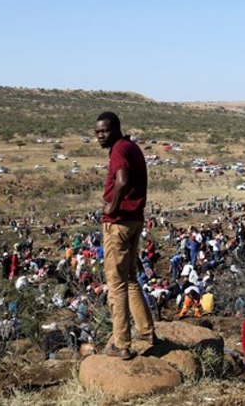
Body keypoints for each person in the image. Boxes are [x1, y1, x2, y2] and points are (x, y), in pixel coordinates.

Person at [95, 112, 155, 360]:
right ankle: (146, 330)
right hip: (134, 220)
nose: (100, 136)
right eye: (97, 132)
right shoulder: (131, 146)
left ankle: (121, 344)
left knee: (116, 283)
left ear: (116, 129)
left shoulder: (119, 149)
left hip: (118, 223)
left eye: (104, 131)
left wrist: (112, 206)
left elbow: (121, 180)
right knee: (130, 278)